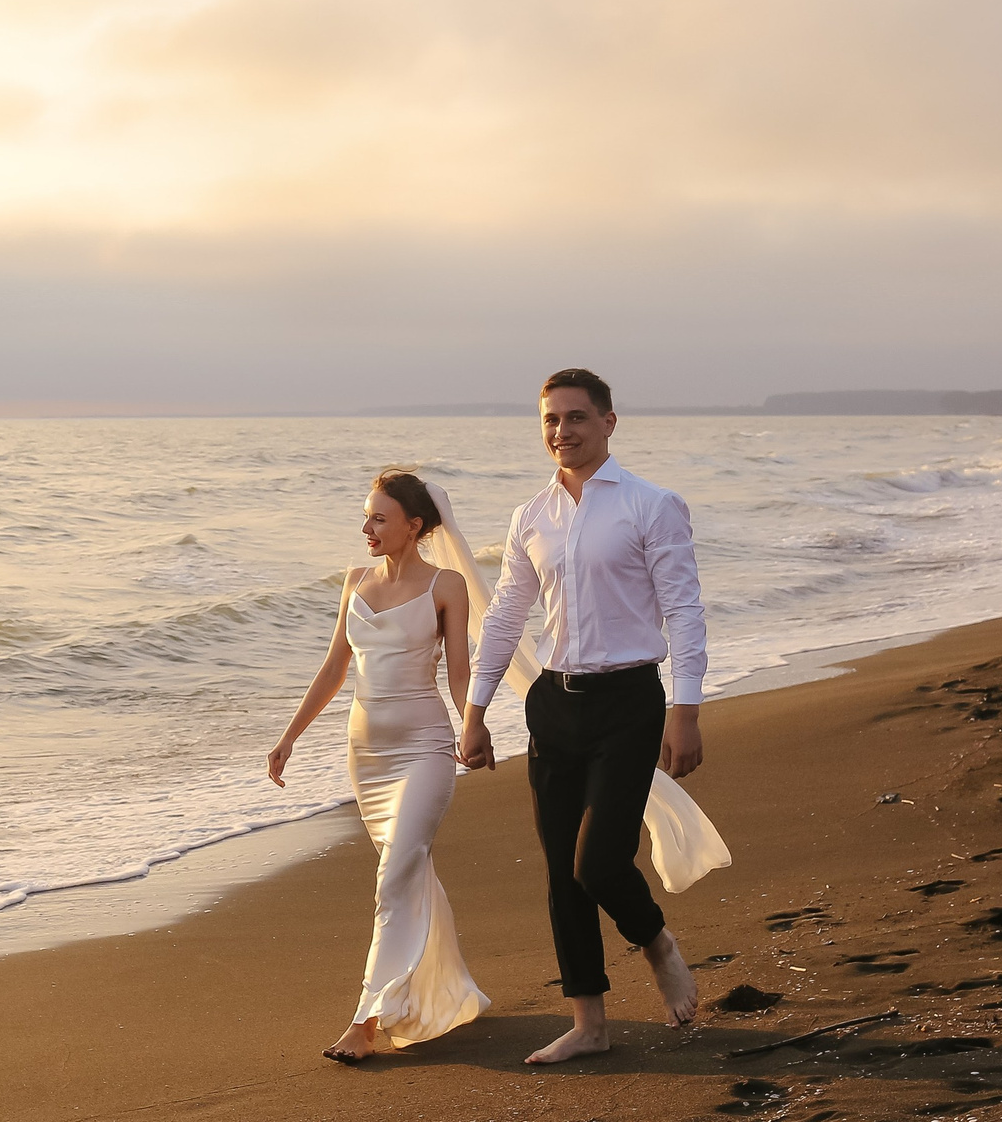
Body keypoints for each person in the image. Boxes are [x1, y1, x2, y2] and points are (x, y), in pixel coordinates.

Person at [457, 369, 704, 1064]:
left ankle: (657, 942)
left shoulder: (652, 505)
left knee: (599, 862)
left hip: (629, 701)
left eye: (575, 418)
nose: (561, 431)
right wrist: (475, 711)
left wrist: (686, 711)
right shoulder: (531, 515)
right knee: (561, 872)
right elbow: (506, 614)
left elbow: (684, 610)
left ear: (608, 422)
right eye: (550, 421)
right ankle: (588, 1023)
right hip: (553, 706)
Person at [269, 469, 489, 1064]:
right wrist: (290, 736)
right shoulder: (355, 581)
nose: (366, 527)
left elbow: (460, 670)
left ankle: (364, 1022)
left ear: (414, 526)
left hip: (423, 746)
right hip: (366, 753)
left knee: (395, 876)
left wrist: (474, 723)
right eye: (366, 516)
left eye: (379, 517)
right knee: (407, 873)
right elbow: (335, 666)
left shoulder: (446, 585)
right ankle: (441, 993)